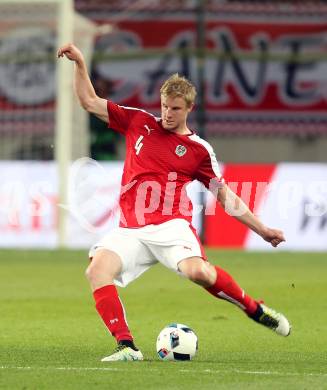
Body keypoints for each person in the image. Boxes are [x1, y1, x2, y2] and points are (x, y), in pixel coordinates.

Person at [57, 43, 291, 362]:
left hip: (171, 226)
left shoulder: (198, 150)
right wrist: (80, 64)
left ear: (189, 109)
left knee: (199, 273)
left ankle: (254, 308)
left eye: (175, 109)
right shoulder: (137, 121)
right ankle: (127, 347)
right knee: (97, 270)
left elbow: (225, 196)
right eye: (165, 106)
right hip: (131, 230)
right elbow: (88, 100)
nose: (168, 114)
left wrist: (262, 229)